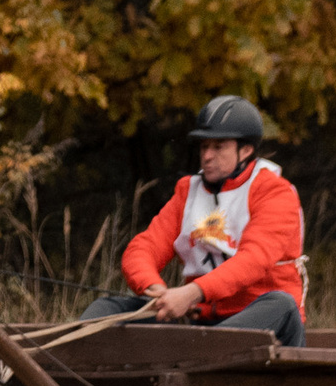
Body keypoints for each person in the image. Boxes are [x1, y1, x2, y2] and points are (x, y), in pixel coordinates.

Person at [82, 95, 308, 347]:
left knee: (282, 304)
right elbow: (143, 248)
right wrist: (154, 288)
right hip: (201, 322)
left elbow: (253, 260)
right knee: (107, 308)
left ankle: (201, 349)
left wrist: (192, 293)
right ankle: (65, 364)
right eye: (204, 147)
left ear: (245, 150)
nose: (207, 156)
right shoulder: (187, 191)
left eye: (218, 147)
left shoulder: (275, 192)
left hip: (256, 319)